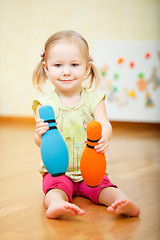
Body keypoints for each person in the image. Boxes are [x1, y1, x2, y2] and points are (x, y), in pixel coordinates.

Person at [32, 30, 140, 219]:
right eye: (58, 65)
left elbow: (104, 124)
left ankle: (121, 201)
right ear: (46, 68)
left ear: (87, 68)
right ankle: (57, 204)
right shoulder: (45, 105)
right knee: (55, 189)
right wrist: (39, 134)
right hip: (58, 171)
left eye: (74, 64)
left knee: (104, 187)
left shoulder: (94, 100)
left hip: (90, 169)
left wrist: (104, 137)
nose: (66, 71)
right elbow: (42, 142)